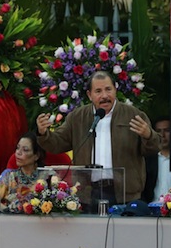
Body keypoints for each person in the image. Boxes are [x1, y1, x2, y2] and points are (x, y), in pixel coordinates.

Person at [36, 70, 160, 203]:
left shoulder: (133, 115)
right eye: (98, 91)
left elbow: (154, 147)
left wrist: (148, 135)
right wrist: (43, 133)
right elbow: (57, 144)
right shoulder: (77, 117)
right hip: (88, 194)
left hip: (125, 194)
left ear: (115, 90)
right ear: (89, 95)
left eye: (108, 89)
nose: (104, 96)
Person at [0, 132, 56, 211]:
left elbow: (60, 200)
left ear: (36, 156)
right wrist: (8, 211)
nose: (18, 152)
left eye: (25, 150)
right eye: (17, 148)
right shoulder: (9, 176)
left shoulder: (48, 176)